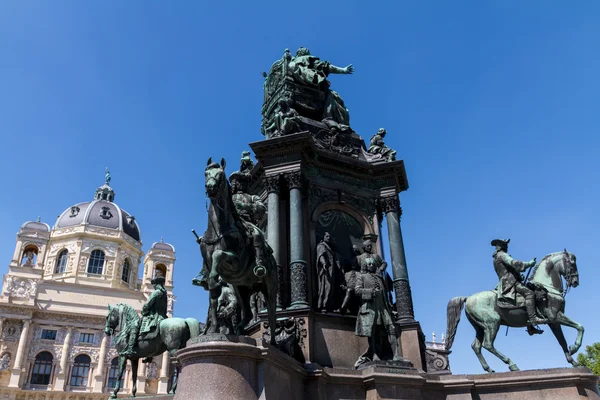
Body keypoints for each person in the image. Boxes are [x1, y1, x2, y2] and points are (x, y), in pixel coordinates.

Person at [354, 258, 402, 367]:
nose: (371, 265)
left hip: (383, 308)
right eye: (369, 263)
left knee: (391, 329)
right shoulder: (361, 277)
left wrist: (389, 306)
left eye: (373, 263)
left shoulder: (380, 278)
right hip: (370, 307)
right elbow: (357, 290)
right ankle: (375, 355)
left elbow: (385, 294)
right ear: (365, 266)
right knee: (373, 332)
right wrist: (370, 292)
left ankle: (396, 355)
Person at [492, 239, 546, 330]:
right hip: (510, 283)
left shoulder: (496, 257)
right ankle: (533, 319)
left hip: (508, 281)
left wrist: (518, 275)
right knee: (529, 293)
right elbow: (514, 263)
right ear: (502, 246)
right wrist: (528, 264)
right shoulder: (502, 255)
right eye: (505, 245)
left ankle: (530, 328)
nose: (507, 247)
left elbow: (508, 269)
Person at [229, 171, 269, 278]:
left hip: (247, 223)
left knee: (256, 234)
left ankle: (259, 262)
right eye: (238, 182)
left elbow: (261, 209)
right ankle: (205, 273)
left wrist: (247, 206)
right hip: (231, 224)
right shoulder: (228, 198)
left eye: (243, 182)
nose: (241, 184)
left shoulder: (252, 198)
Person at [125, 270, 168, 357]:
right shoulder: (164, 293)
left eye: (154, 284)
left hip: (155, 317)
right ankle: (149, 355)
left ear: (157, 284)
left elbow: (148, 304)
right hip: (163, 316)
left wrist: (144, 310)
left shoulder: (156, 293)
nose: (154, 285)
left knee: (135, 326)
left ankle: (130, 348)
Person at [315, 232, 343, 312]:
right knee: (326, 287)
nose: (328, 238)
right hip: (326, 270)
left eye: (329, 237)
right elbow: (321, 256)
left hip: (332, 270)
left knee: (331, 288)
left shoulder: (330, 248)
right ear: (323, 237)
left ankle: (329, 305)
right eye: (327, 236)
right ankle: (324, 305)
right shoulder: (321, 246)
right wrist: (324, 263)